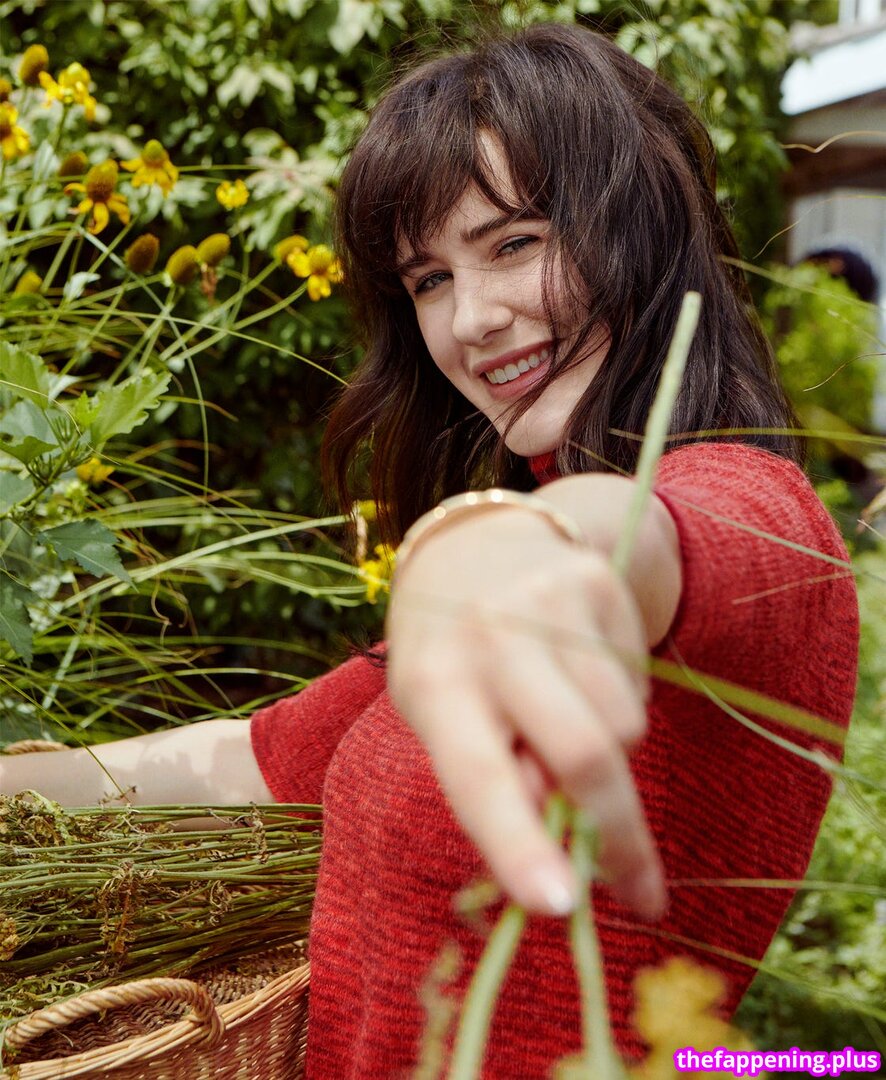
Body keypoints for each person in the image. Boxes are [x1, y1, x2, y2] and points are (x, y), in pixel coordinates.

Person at [1, 23, 858, 1077]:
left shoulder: (756, 514)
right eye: (429, 280)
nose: (473, 320)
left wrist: (496, 547)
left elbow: (630, 540)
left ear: (642, 228)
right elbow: (250, 757)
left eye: (515, 243)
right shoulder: (472, 637)